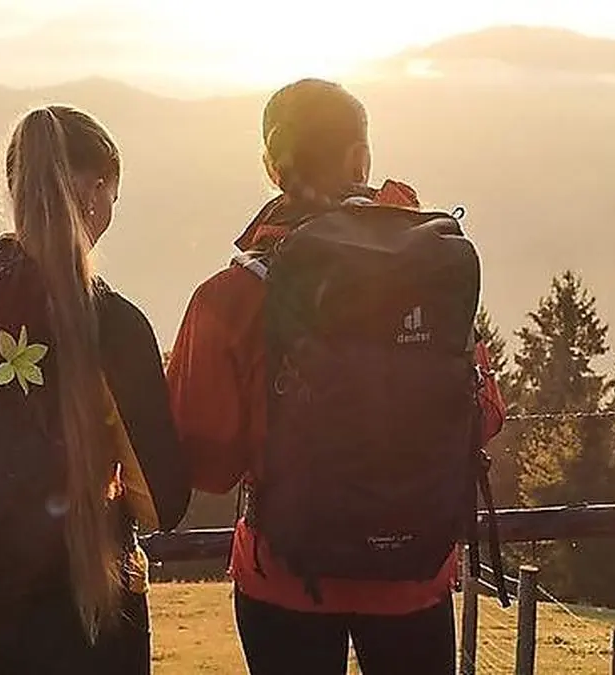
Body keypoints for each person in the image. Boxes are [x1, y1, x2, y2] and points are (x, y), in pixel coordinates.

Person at [166, 78, 507, 674]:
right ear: (360, 158)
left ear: (272, 167)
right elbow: (482, 415)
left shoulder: (231, 296)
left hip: (286, 578)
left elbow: (210, 466)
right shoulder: (430, 273)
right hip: (414, 574)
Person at [0, 105, 191, 674]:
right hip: (92, 604)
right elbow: (160, 502)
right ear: (97, 189)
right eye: (111, 192)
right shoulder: (115, 325)